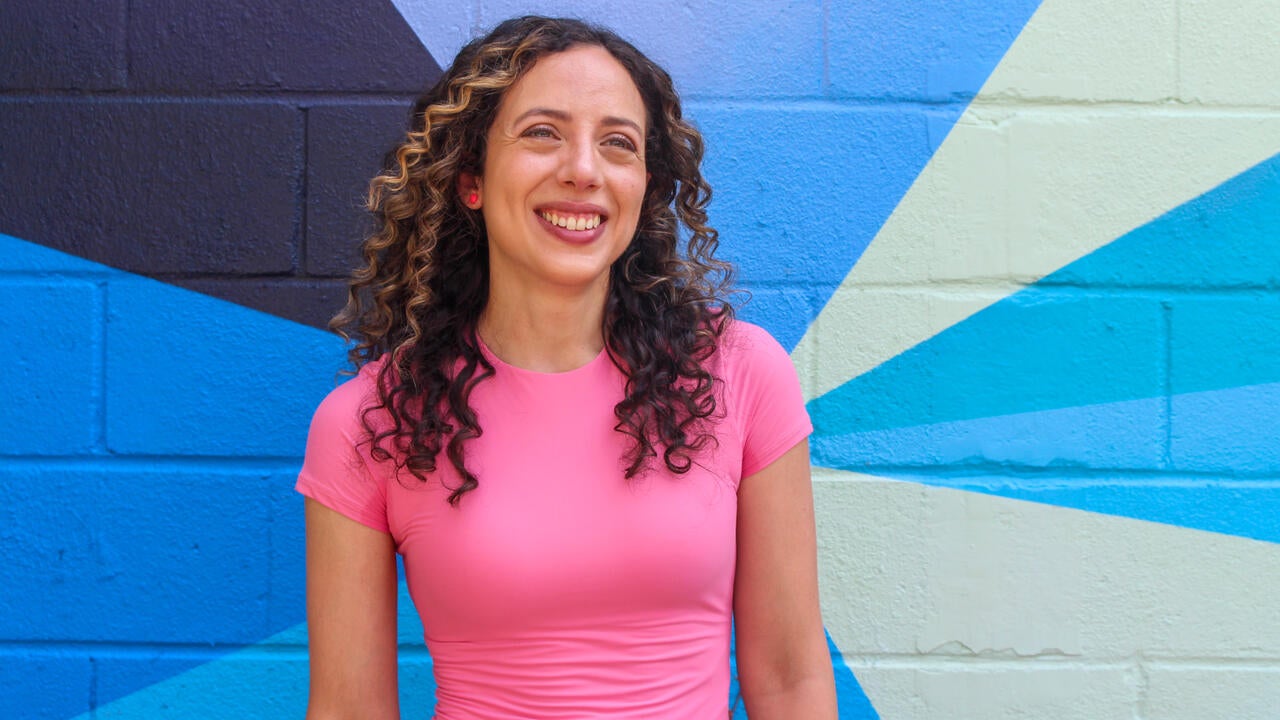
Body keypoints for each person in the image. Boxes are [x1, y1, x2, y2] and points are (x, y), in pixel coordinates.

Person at [297, 15, 836, 720]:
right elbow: (347, 710)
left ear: (643, 186)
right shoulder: (371, 423)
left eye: (617, 143)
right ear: (471, 179)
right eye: (543, 133)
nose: (583, 169)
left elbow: (791, 680)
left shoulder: (740, 375)